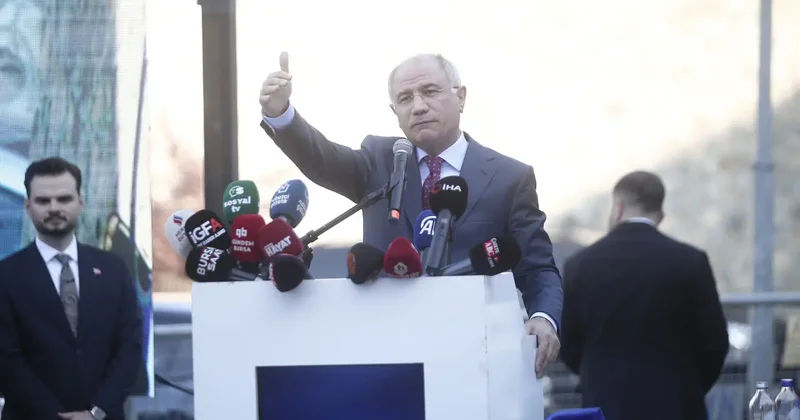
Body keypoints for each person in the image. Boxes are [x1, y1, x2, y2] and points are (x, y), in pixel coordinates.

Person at [258, 52, 563, 375]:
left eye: (430, 91)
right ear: (396, 112)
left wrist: (543, 318)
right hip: (386, 353)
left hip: (475, 357)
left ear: (460, 97)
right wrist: (281, 114)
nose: (418, 106)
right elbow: (322, 158)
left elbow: (538, 267)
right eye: (405, 98)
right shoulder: (380, 160)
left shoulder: (508, 177)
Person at [559, 171, 729, 420]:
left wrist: (597, 376)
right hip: (676, 405)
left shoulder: (580, 264)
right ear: (660, 214)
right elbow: (715, 343)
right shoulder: (691, 262)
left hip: (607, 403)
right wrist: (688, 387)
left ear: (618, 208)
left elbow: (568, 343)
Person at [0, 158, 142, 420]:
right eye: (43, 201)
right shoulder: (5, 275)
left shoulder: (113, 269)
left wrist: (96, 412)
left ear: (80, 202)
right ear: (28, 207)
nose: (54, 208)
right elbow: (6, 359)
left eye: (64, 199)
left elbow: (129, 346)